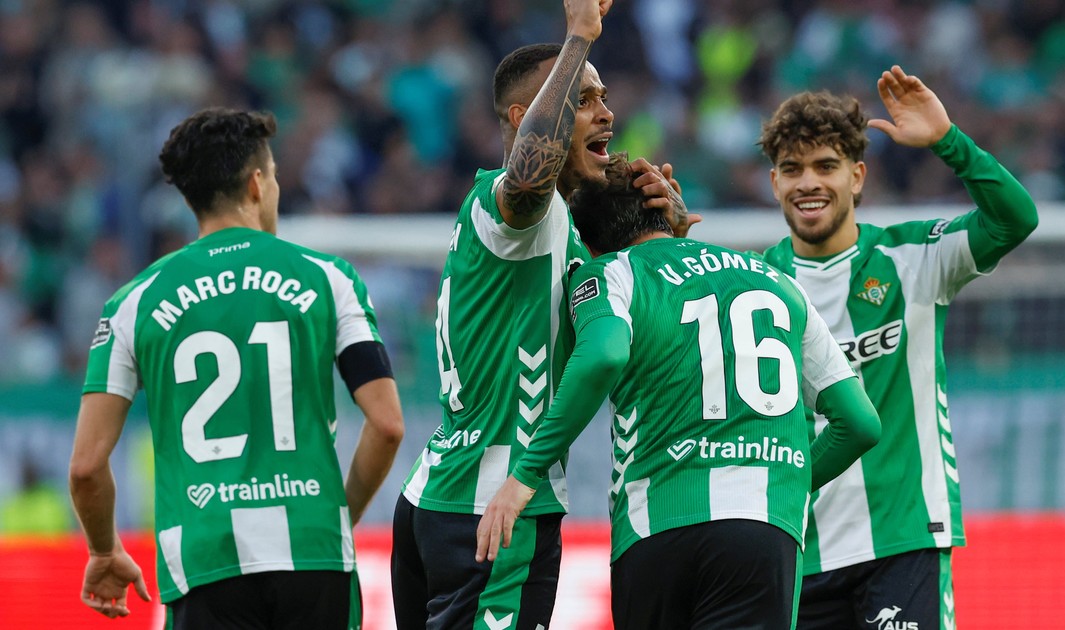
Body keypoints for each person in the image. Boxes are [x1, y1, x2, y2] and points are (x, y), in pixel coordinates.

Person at [475, 154, 882, 629]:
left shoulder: (611, 271)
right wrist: (772, 485)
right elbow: (860, 424)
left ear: (587, 242)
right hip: (762, 531)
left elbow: (603, 354)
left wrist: (526, 474)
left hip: (655, 526)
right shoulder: (777, 281)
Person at [391, 1, 690, 627]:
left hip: (441, 492)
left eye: (604, 97)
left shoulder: (560, 236)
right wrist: (578, 36)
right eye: (584, 100)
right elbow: (528, 179)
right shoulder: (517, 208)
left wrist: (669, 238)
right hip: (495, 507)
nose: (606, 113)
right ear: (525, 119)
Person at [68, 107, 405, 627]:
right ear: (256, 183)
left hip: (205, 558)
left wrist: (104, 550)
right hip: (313, 549)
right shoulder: (329, 279)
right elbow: (387, 424)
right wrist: (339, 513)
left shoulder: (132, 303)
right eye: (274, 178)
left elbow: (86, 466)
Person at [759, 66, 1039, 629]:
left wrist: (948, 141)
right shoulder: (755, 288)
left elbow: (1015, 220)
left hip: (902, 540)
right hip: (798, 552)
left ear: (857, 176)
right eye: (792, 169)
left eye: (825, 166)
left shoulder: (913, 259)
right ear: (774, 183)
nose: (808, 183)